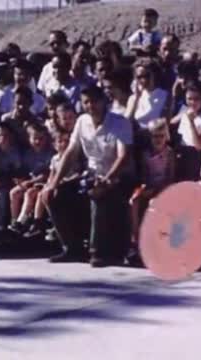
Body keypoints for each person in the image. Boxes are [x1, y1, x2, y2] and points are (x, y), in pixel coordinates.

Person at [43, 85, 133, 267]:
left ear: (103, 101)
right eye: (86, 102)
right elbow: (71, 152)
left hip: (118, 177)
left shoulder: (120, 122)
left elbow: (123, 157)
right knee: (54, 195)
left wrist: (107, 180)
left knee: (97, 194)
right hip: (91, 175)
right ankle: (72, 248)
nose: (90, 105)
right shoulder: (82, 121)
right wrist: (53, 182)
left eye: (94, 101)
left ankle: (98, 252)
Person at [128, 119, 175, 262]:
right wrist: (145, 188)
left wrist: (158, 189)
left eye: (161, 136)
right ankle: (135, 241)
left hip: (164, 187)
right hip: (149, 185)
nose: (158, 139)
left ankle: (153, 244)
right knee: (134, 200)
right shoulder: (145, 153)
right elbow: (144, 174)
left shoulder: (169, 153)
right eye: (155, 136)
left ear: (166, 136)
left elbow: (170, 177)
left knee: (153, 203)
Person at [8, 123, 54, 234]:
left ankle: (22, 220)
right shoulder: (27, 154)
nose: (38, 142)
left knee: (30, 193)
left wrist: (30, 182)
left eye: (41, 139)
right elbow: (23, 170)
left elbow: (46, 174)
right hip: (30, 181)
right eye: (35, 138)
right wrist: (19, 179)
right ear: (29, 139)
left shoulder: (49, 153)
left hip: (43, 183)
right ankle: (14, 221)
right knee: (14, 192)